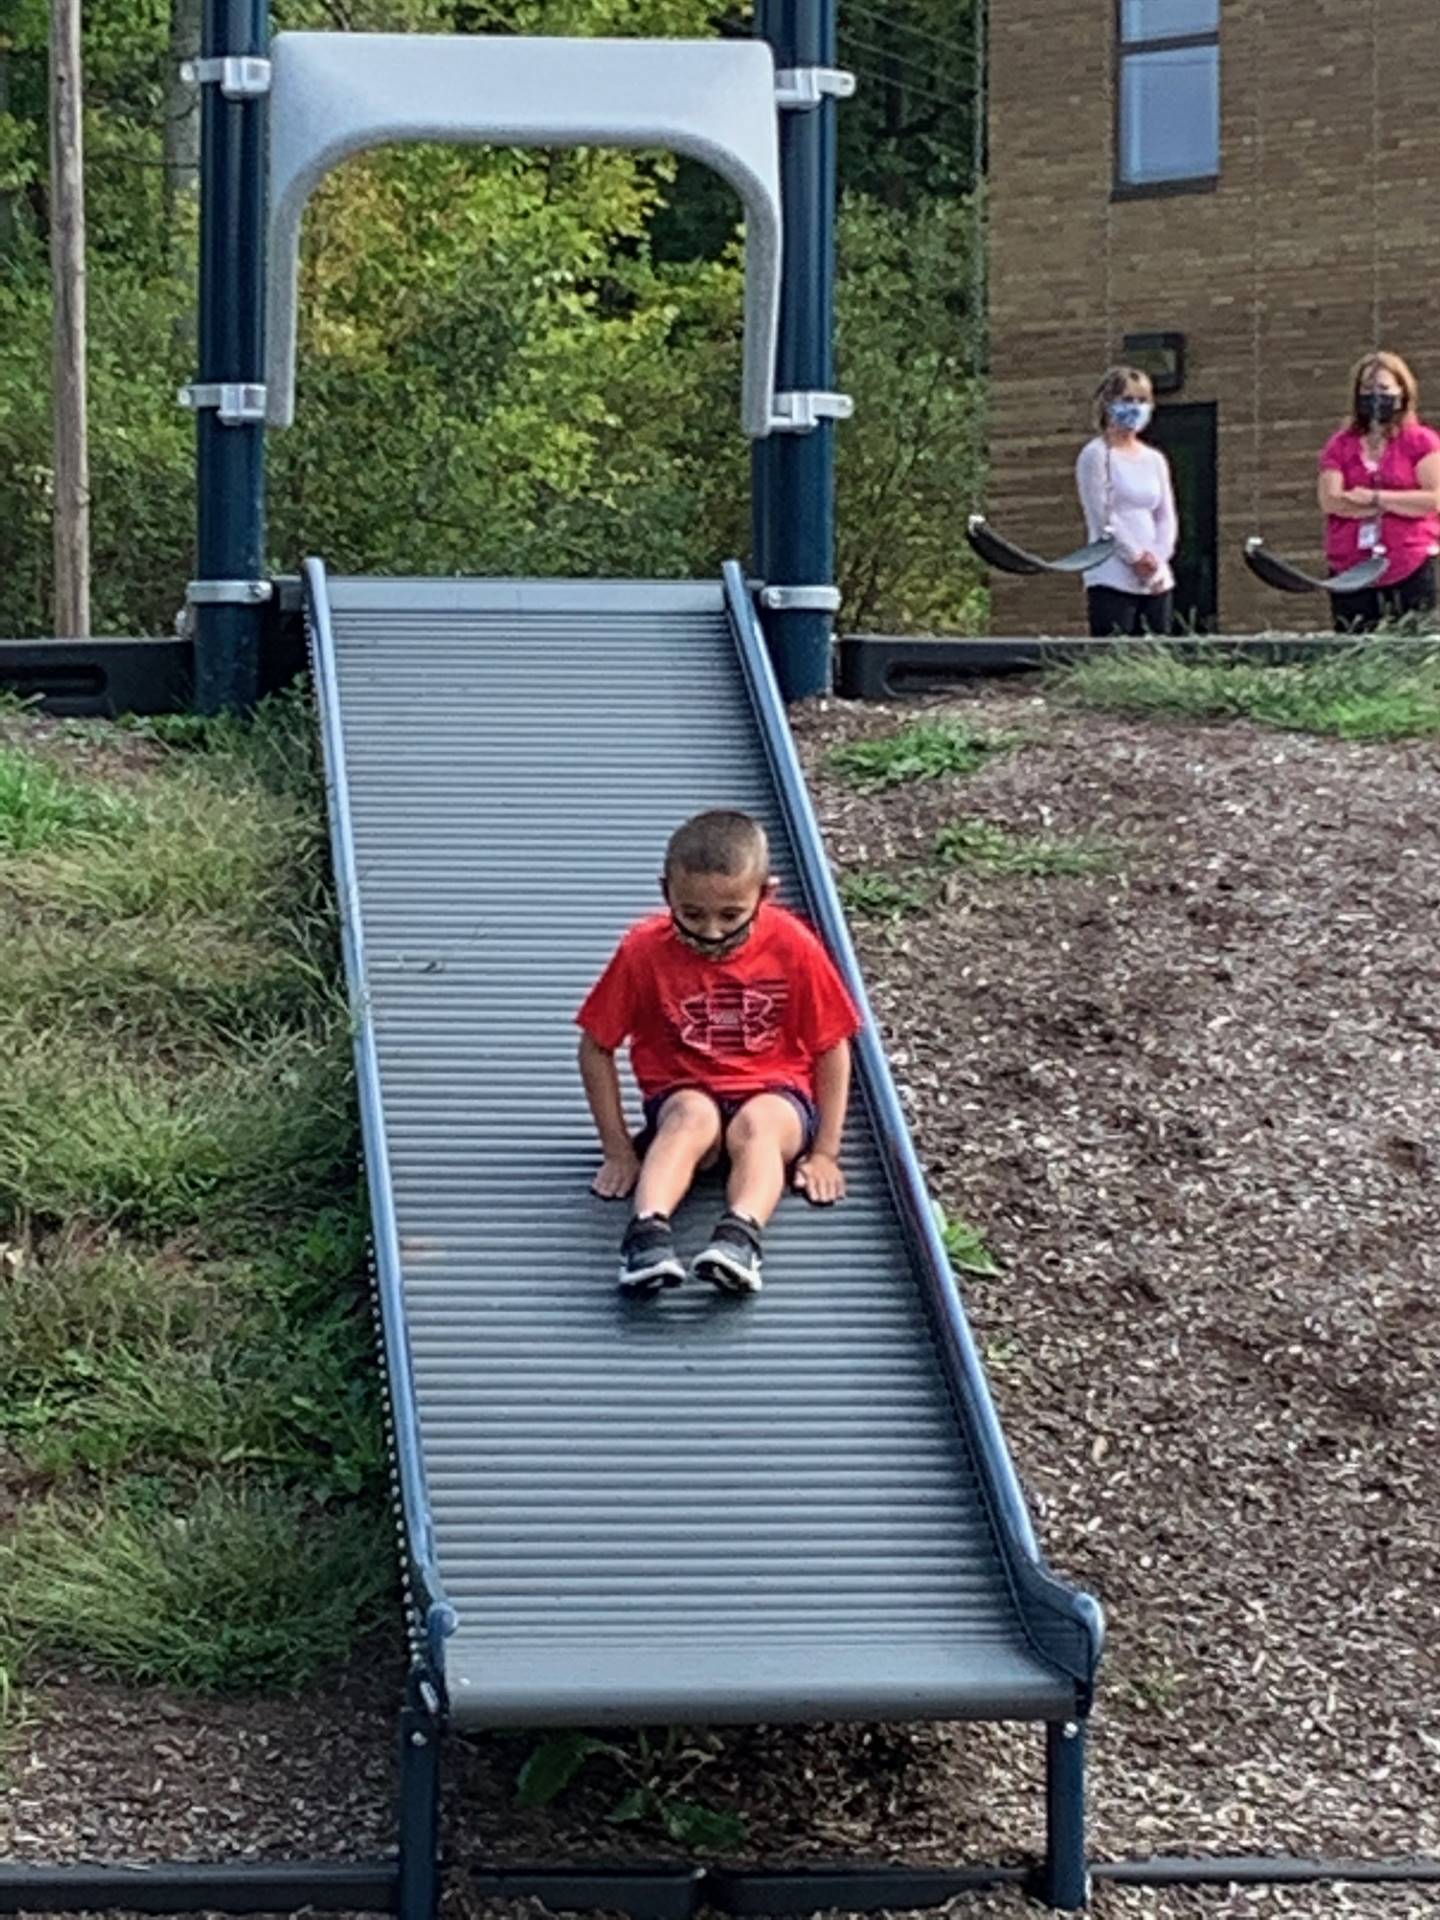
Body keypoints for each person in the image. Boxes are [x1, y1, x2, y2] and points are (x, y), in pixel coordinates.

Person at [576, 810, 862, 1298]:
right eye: (691, 914)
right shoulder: (643, 951)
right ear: (666, 893)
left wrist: (825, 1152)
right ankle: (646, 1234)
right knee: (690, 1117)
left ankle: (739, 1238)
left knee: (760, 1125)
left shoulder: (793, 946)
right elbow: (596, 1045)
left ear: (764, 896)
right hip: (686, 1089)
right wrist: (618, 1149)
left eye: (730, 916)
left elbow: (832, 1046)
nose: (710, 932)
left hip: (774, 1091)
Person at [1317, 351, 1440, 632]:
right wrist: (1400, 504)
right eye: (1368, 389)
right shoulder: (1340, 444)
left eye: (1384, 388)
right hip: (1350, 568)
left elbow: (1433, 499)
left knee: (1412, 647)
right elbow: (1331, 500)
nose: (1375, 395)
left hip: (1409, 563)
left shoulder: (1421, 441)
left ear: (1402, 392)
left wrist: (1374, 498)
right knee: (1353, 646)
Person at [1075, 366, 1179, 637]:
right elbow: (1103, 514)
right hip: (1112, 575)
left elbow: (1165, 515)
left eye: (1142, 401)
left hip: (1156, 579)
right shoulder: (1096, 455)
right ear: (1108, 404)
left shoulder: (1155, 459)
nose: (1135, 408)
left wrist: (1157, 558)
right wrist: (1134, 556)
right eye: (1127, 400)